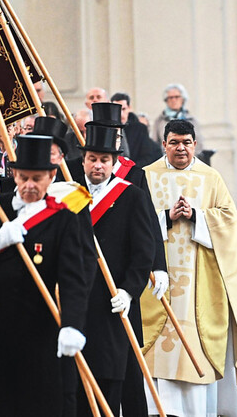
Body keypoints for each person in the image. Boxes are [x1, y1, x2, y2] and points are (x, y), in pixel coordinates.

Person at [0, 135, 92, 416]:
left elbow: (74, 277)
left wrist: (73, 324)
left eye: (37, 178)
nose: (29, 186)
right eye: (23, 177)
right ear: (14, 173)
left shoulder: (63, 219)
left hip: (39, 328)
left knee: (36, 403)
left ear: (51, 177)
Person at [142, 119, 237, 416]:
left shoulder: (211, 177)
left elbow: (230, 222)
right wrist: (166, 217)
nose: (181, 148)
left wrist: (196, 216)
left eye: (186, 142)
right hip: (157, 279)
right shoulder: (146, 177)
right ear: (164, 144)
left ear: (195, 145)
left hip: (199, 280)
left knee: (196, 337)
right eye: (174, 142)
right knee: (158, 343)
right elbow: (135, 223)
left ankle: (196, 408)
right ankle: (159, 407)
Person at [68, 123, 155, 417]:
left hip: (112, 302)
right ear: (83, 161)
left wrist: (130, 291)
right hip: (75, 301)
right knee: (75, 383)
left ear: (114, 163)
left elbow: (143, 253)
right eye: (92, 159)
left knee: (111, 379)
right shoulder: (67, 197)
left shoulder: (131, 196)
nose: (98, 165)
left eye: (105, 160)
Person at [112, 92, 162, 165]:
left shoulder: (140, 129)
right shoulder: (107, 128)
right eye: (116, 110)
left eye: (123, 109)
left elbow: (147, 156)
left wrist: (131, 169)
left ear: (129, 108)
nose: (121, 114)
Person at [150, 83, 203, 152]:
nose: (173, 100)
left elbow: (198, 144)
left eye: (177, 97)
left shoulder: (191, 120)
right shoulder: (159, 121)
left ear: (183, 99)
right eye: (170, 98)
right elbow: (155, 144)